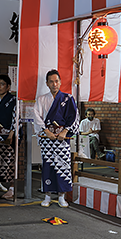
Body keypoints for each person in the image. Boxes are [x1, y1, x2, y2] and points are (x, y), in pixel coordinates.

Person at [34, 70, 79, 208]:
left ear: (60, 82)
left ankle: (61, 196)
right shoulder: (41, 99)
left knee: (63, 166)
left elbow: (74, 117)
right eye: (51, 81)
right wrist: (46, 131)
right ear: (47, 83)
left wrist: (65, 131)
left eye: (57, 81)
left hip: (62, 138)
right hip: (48, 138)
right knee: (47, 166)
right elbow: (37, 116)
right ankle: (47, 195)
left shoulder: (68, 98)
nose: (54, 84)